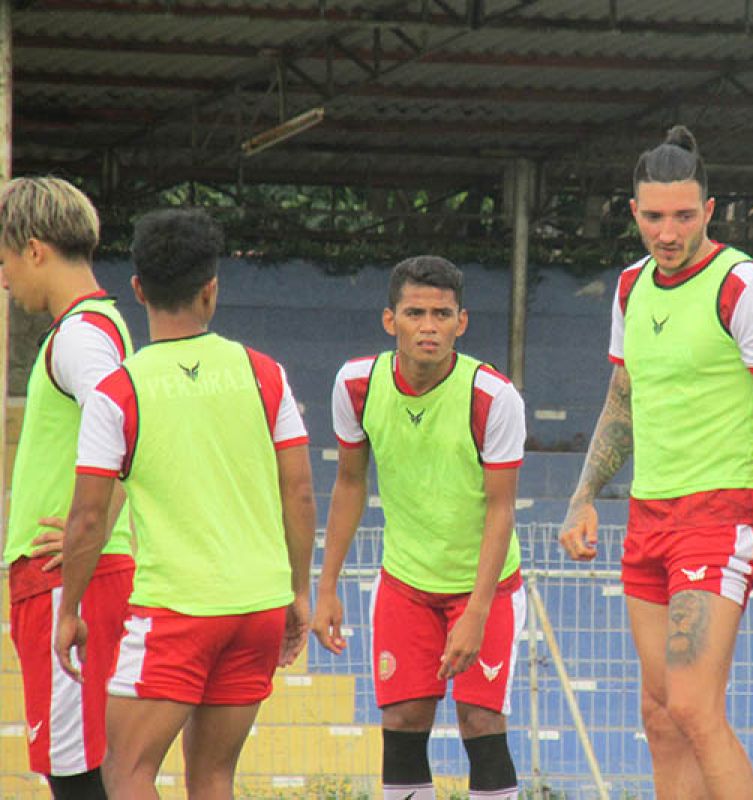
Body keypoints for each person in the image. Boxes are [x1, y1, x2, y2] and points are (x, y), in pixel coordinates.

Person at [559, 125, 753, 800]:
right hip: (649, 516)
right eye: (651, 216)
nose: (665, 232)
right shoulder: (629, 288)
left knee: (696, 708)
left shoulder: (747, 289)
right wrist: (584, 495)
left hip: (720, 516)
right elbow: (623, 399)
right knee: (661, 715)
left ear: (708, 209)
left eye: (681, 216)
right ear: (634, 211)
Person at [52, 208, 315, 798]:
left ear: (138, 289)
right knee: (215, 775)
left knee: (127, 770)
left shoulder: (119, 391)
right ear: (212, 289)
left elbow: (89, 516)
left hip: (178, 610)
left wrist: (70, 609)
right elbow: (298, 490)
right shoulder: (263, 374)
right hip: (257, 607)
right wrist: (299, 591)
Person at [313, 256, 527, 800]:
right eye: (415, 313)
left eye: (441, 313)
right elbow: (349, 484)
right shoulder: (356, 385)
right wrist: (327, 586)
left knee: (480, 721)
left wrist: (477, 611)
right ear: (391, 321)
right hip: (405, 584)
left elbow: (502, 509)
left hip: (486, 588)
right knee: (404, 721)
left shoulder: (493, 397)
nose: (428, 326)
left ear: (462, 322)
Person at [0, 177, 135, 799]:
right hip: (71, 572)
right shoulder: (96, 327)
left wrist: (96, 528)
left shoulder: (80, 336)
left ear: (34, 250)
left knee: (77, 774)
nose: (4, 279)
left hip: (67, 577)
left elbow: (129, 424)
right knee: (85, 767)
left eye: (3, 261)